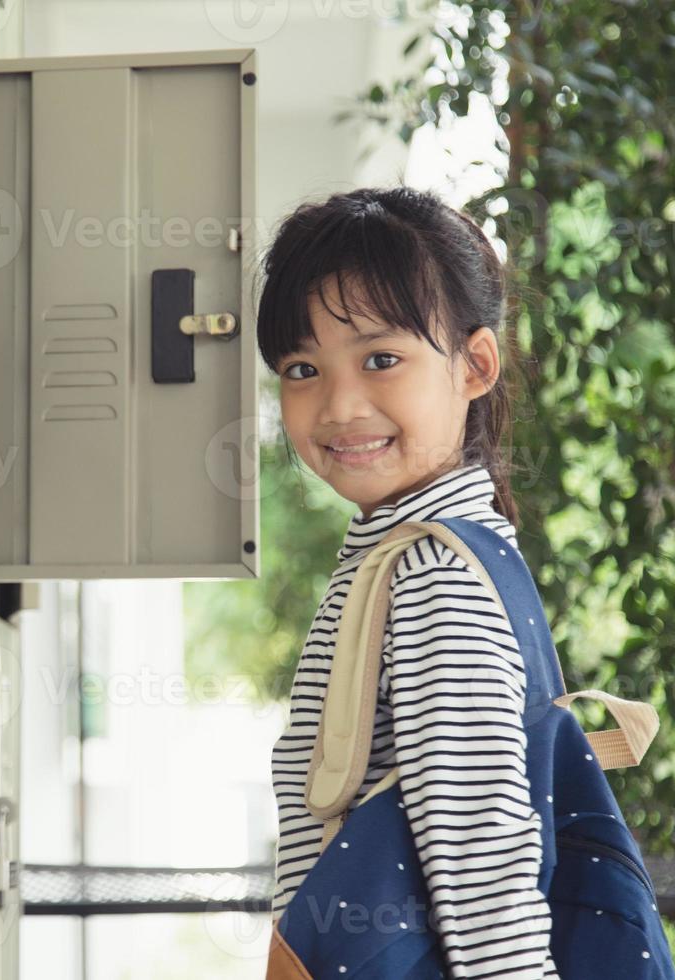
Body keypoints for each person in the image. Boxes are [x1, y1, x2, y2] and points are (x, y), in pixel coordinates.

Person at [257, 186, 558, 977]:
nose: (338, 405)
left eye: (381, 359)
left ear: (476, 365)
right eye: (301, 367)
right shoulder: (432, 551)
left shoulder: (429, 573)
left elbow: (481, 863)